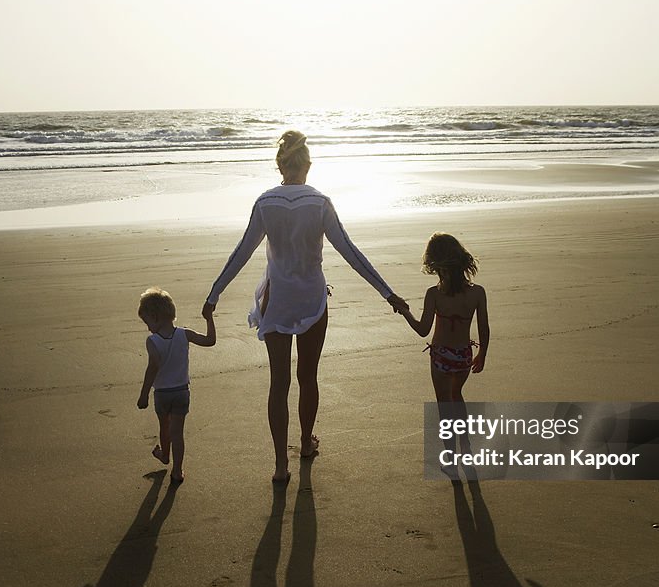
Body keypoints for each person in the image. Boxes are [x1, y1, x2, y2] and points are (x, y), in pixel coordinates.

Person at [202, 130, 408, 483]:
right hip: (312, 299)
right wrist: (387, 293)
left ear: (280, 165)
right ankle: (306, 443)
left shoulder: (265, 203)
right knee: (307, 377)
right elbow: (351, 252)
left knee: (278, 383)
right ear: (308, 166)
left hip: (277, 301)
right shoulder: (320, 203)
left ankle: (281, 464)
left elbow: (242, 252)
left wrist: (213, 295)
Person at [137, 287, 216, 483]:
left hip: (162, 394)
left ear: (155, 317)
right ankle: (177, 471)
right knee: (177, 433)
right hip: (182, 392)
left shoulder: (153, 341)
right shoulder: (184, 334)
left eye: (147, 322)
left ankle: (165, 456)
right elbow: (210, 341)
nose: (148, 328)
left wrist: (144, 394)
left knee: (164, 427)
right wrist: (209, 319)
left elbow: (153, 367)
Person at [398, 232, 489, 401]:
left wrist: (405, 311)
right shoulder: (478, 292)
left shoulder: (434, 294)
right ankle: (462, 428)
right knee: (456, 394)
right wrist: (482, 353)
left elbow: (423, 330)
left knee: (444, 402)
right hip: (464, 356)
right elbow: (483, 328)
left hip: (442, 355)